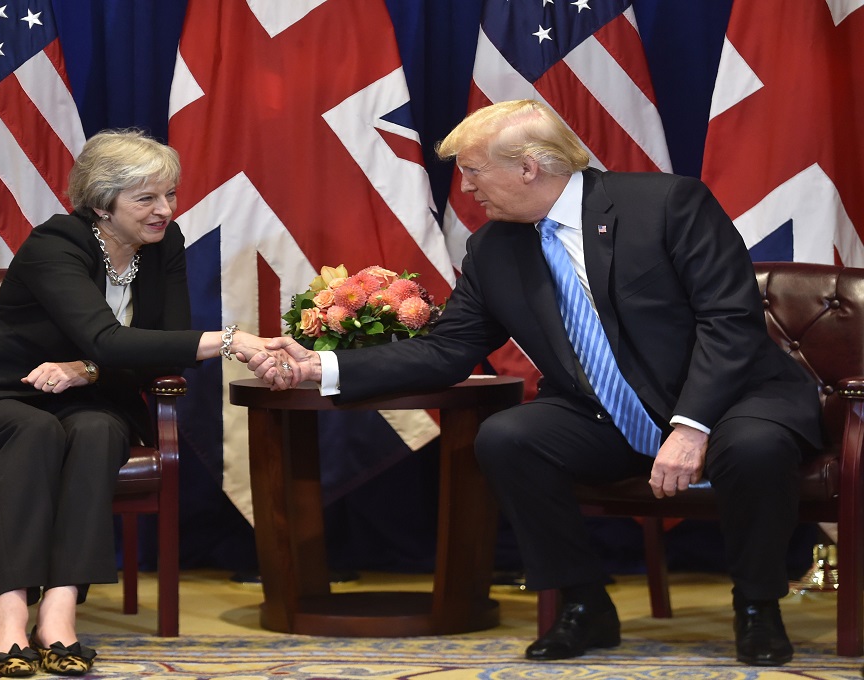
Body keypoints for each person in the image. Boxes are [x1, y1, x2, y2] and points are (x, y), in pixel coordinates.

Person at [250, 100, 822, 667]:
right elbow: (448, 350)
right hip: (607, 415)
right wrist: (318, 366)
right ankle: (582, 602)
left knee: (753, 447)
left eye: (473, 170)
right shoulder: (493, 249)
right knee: (509, 438)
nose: (466, 188)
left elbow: (729, 321)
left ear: (528, 167)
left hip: (731, 400)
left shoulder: (668, 204)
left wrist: (692, 426)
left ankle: (757, 606)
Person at [0, 129, 279, 677]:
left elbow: (164, 345)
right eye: (147, 198)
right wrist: (231, 340)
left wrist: (86, 370)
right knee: (32, 431)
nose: (166, 210)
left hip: (85, 395)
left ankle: (59, 612)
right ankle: (9, 613)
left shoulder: (165, 244)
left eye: (170, 195)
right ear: (102, 204)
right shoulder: (54, 245)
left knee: (100, 432)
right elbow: (109, 338)